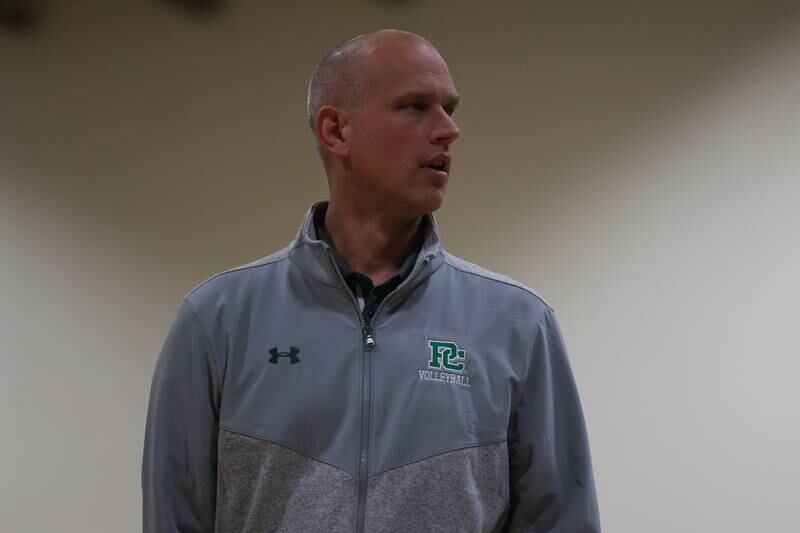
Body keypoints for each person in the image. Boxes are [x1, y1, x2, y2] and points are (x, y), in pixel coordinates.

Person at [142, 29, 600, 533]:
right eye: (416, 106)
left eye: (450, 108)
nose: (449, 130)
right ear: (336, 131)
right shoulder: (217, 320)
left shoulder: (518, 323)